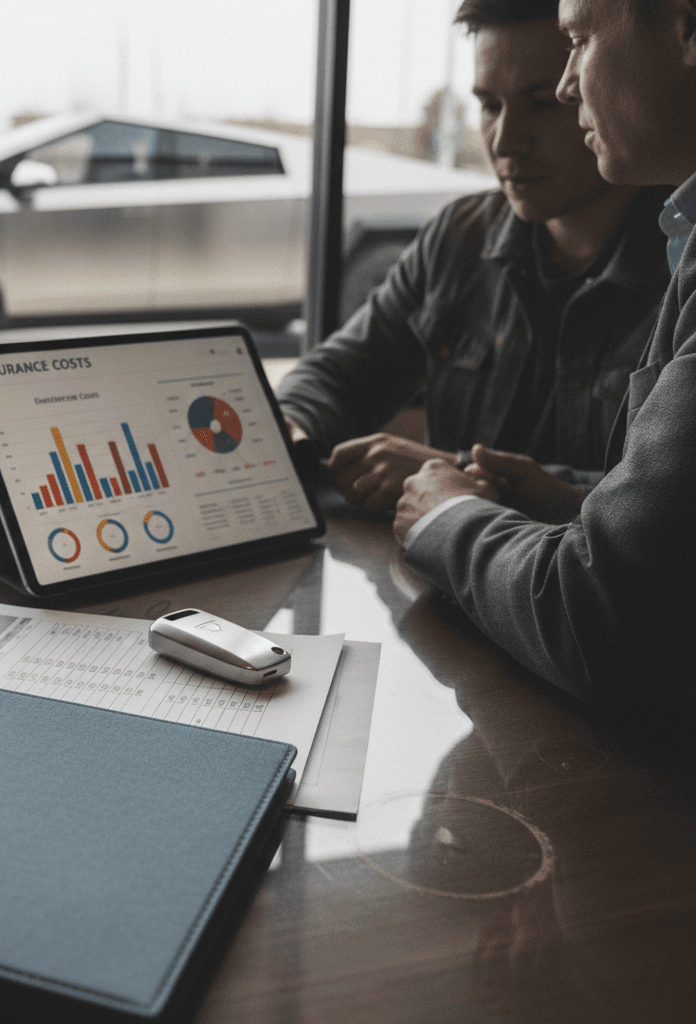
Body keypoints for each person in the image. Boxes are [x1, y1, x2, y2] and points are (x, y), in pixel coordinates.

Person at [394, 0, 696, 709]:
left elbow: (601, 620)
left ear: (687, 28)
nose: (568, 85)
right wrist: (567, 495)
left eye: (580, 39)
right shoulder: (461, 234)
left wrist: (444, 515)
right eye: (488, 105)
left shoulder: (672, 256)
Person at [275, 0, 670, 514]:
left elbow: (664, 508)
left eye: (542, 103)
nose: (505, 141)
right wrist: (287, 427)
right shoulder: (458, 237)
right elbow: (339, 375)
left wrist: (454, 475)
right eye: (489, 105)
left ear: (592, 88)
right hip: (443, 561)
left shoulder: (681, 263)